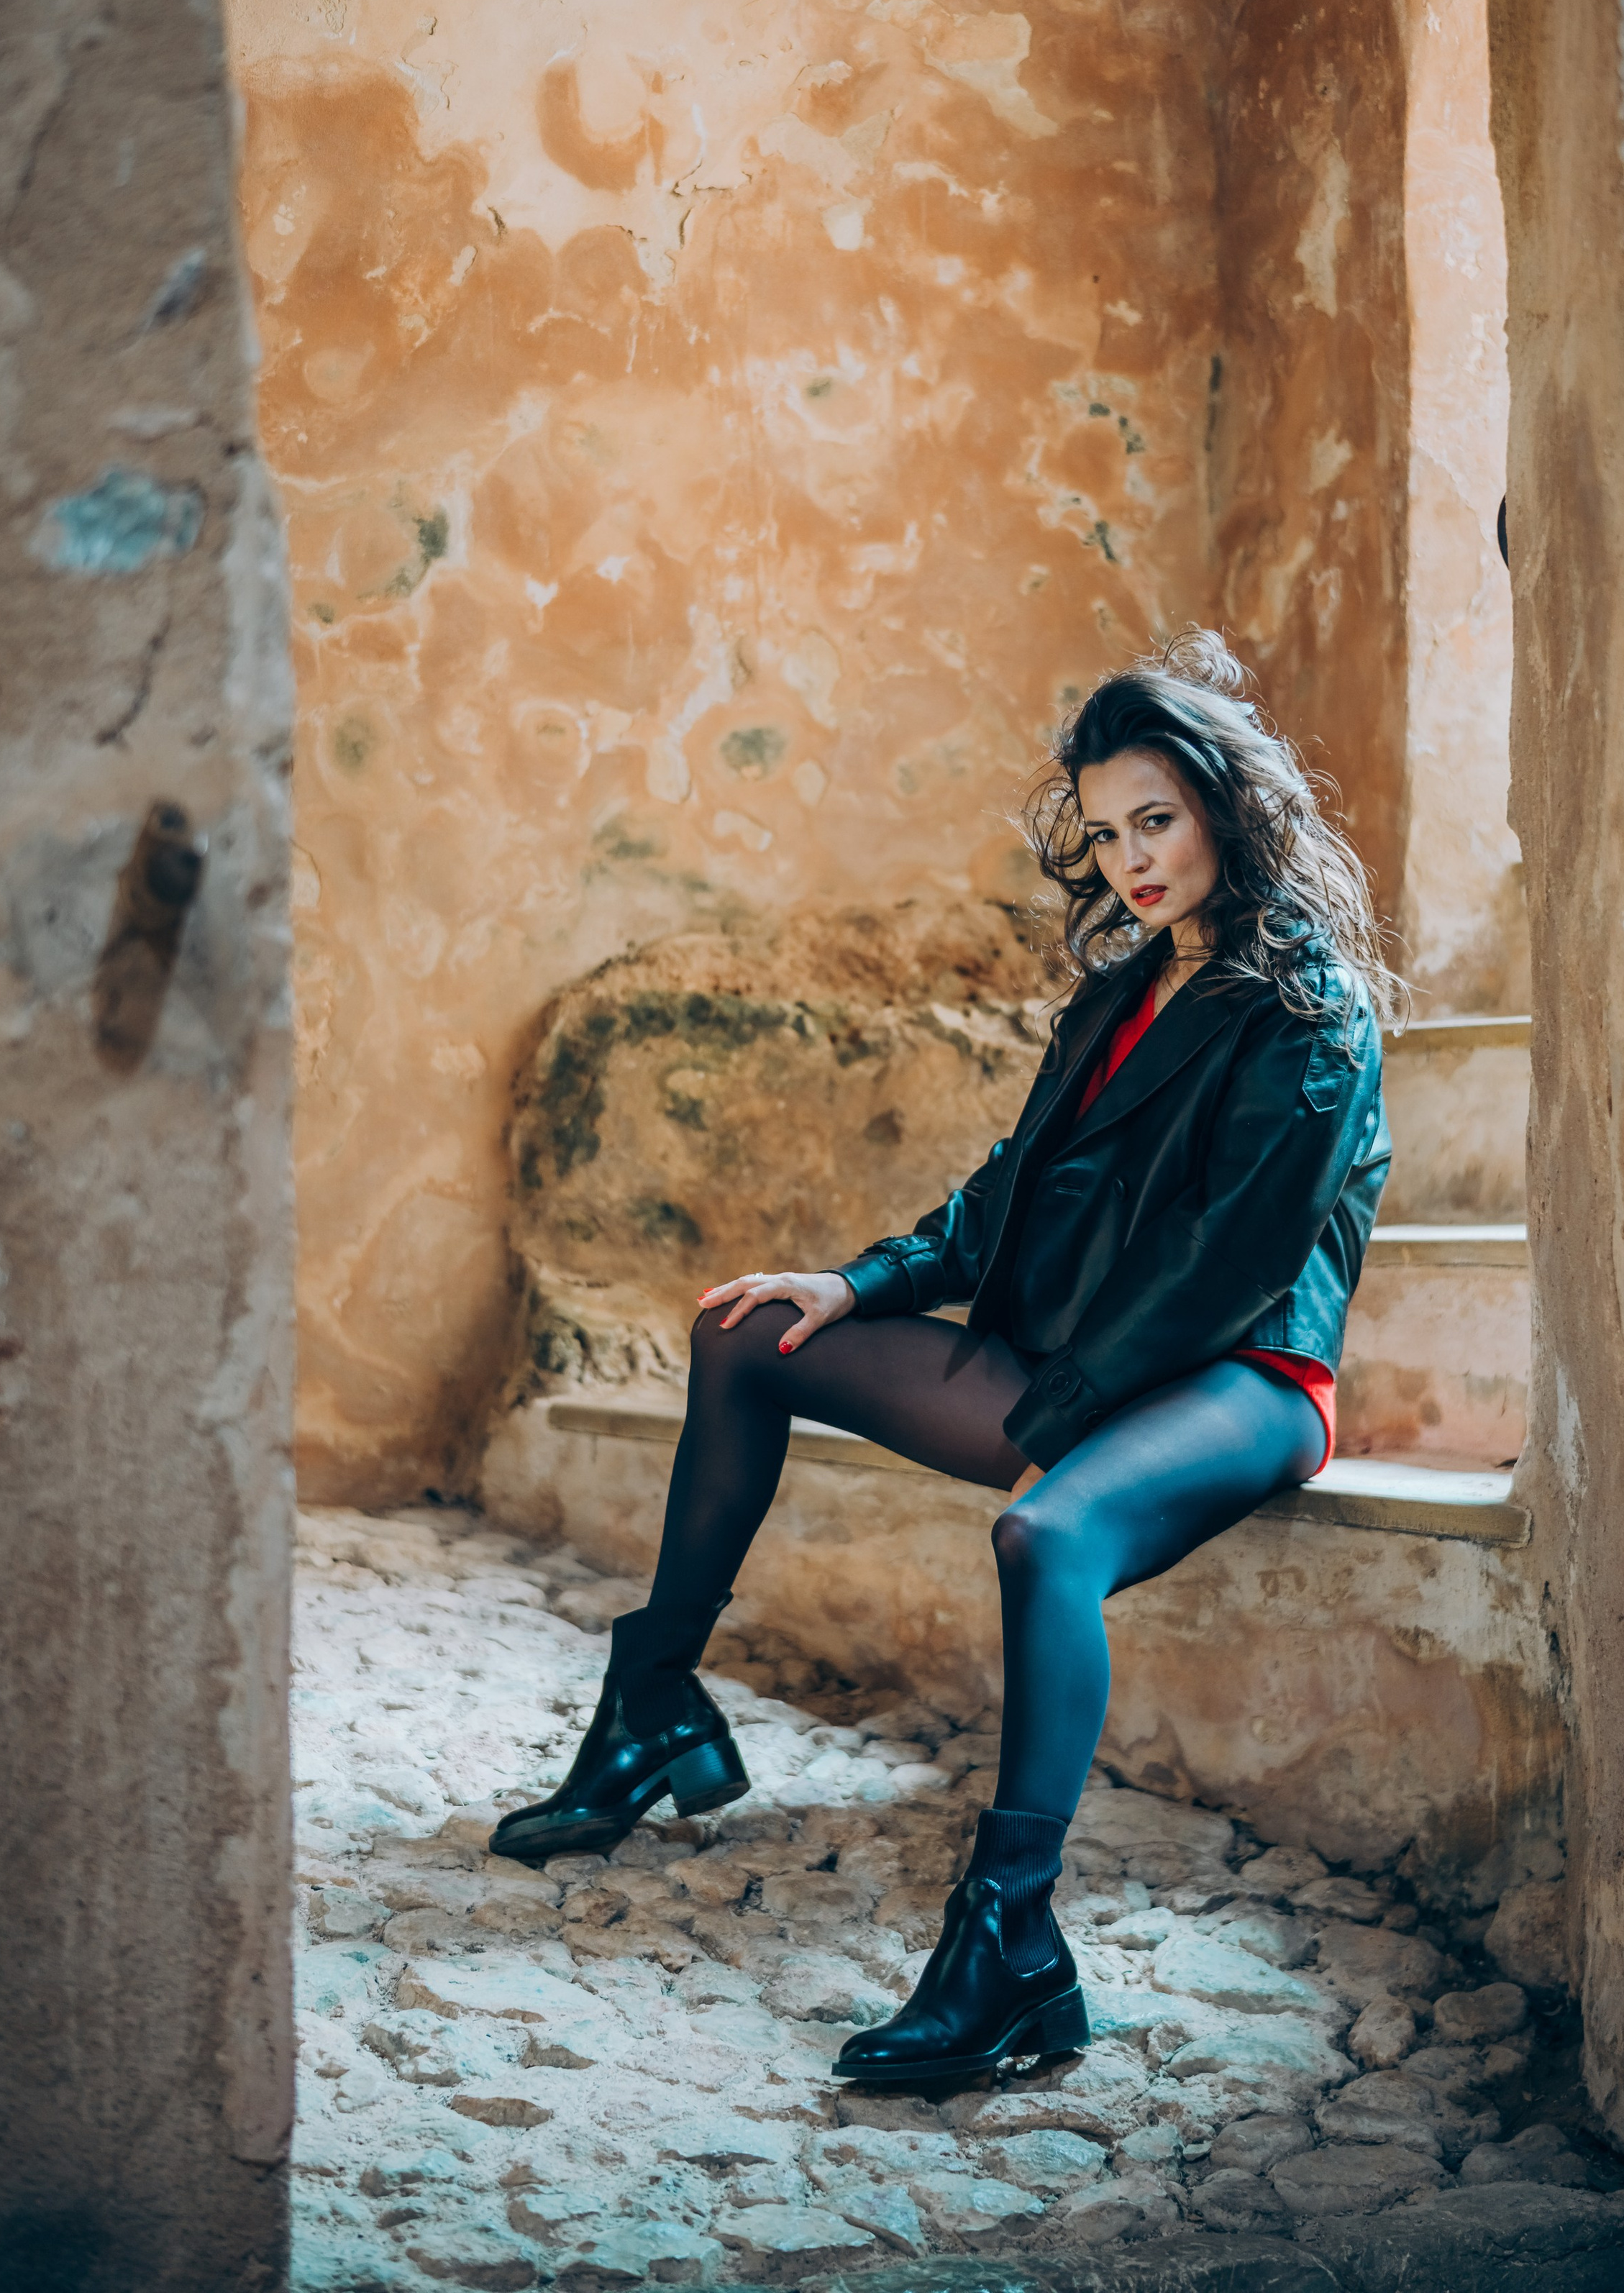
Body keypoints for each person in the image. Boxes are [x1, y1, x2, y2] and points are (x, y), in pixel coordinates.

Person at [491, 632, 1397, 2084]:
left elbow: (1225, 1263)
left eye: (1155, 821)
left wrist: (1060, 1413)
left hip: (1241, 1378)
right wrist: (855, 1283)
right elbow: (1002, 1198)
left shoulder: (1311, 1012)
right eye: (1105, 834)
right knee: (747, 1332)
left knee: (1047, 1534)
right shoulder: (1118, 994)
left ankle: (1010, 1944)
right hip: (1081, 1362)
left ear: (1226, 808)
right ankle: (651, 1705)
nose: (1130, 861)